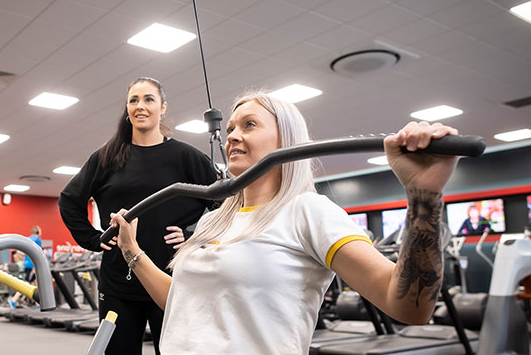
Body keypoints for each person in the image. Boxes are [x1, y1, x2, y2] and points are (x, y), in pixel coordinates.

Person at [108, 91, 460, 354]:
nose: (231, 136)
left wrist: (423, 197)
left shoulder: (308, 211)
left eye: (249, 125)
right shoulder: (211, 223)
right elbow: (184, 302)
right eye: (230, 128)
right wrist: (131, 250)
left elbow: (409, 307)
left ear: (286, 140)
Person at [59, 77, 218, 355]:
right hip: (119, 283)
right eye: (133, 100)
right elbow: (69, 200)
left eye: (148, 99)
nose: (140, 106)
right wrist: (94, 239)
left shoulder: (187, 157)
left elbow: (226, 207)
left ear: (163, 107)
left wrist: (194, 237)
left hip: (171, 281)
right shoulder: (106, 157)